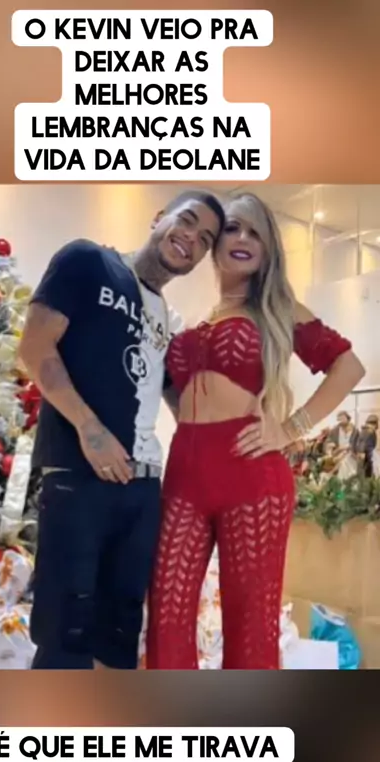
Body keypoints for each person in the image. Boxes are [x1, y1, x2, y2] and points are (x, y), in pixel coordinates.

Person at [146, 191, 365, 671]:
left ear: (268, 248)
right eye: (232, 228)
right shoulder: (200, 319)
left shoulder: (278, 308)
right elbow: (182, 393)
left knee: (250, 622)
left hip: (250, 474)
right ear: (215, 241)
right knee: (165, 613)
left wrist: (291, 428)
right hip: (184, 473)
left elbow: (348, 367)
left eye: (255, 232)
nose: (243, 239)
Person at [18, 190, 225, 669]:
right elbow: (35, 348)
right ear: (159, 217)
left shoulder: (168, 320)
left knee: (120, 630)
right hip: (78, 473)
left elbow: (183, 404)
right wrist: (90, 430)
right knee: (66, 630)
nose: (191, 239)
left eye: (205, 239)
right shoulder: (88, 261)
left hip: (144, 489)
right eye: (187, 221)